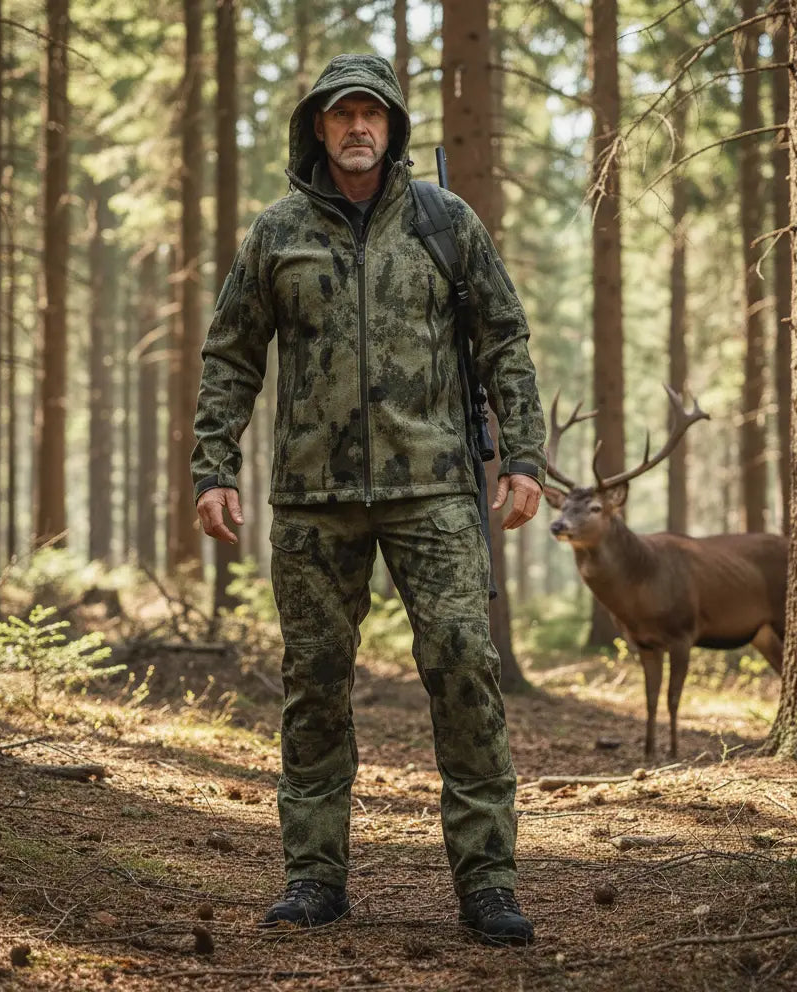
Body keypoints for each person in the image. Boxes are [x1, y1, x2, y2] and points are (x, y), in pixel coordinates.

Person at [191, 53, 546, 947]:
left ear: (393, 127)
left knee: (466, 670)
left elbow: (503, 341)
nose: (357, 127)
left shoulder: (446, 223)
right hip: (313, 500)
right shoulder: (276, 233)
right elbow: (231, 354)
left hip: (434, 493)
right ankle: (314, 878)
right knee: (314, 686)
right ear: (318, 125)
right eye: (341, 113)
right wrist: (213, 469)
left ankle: (489, 883)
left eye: (372, 114)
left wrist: (525, 458)